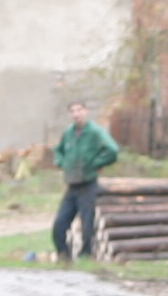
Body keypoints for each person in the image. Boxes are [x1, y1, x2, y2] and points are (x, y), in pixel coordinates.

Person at [50, 97, 119, 261]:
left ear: (86, 111)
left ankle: (86, 255)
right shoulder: (69, 133)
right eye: (73, 111)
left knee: (87, 224)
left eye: (79, 110)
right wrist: (61, 163)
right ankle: (63, 254)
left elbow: (112, 150)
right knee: (59, 224)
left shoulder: (94, 131)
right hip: (72, 184)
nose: (76, 114)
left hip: (88, 184)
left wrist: (96, 163)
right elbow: (58, 151)